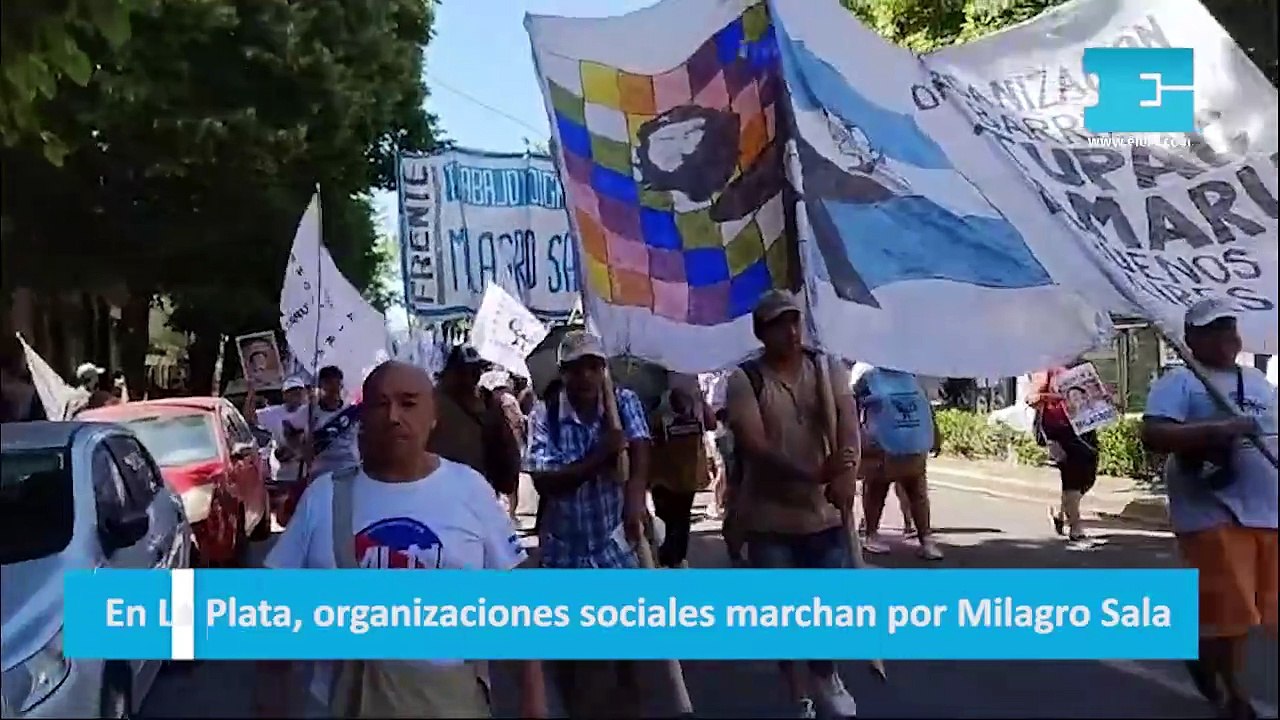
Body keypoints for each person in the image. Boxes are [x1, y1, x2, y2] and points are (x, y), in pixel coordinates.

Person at [254, 362, 546, 718]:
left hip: (449, 701)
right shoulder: (323, 497)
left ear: (433, 417)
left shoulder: (469, 489)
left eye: (408, 403)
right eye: (380, 404)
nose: (393, 416)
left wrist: (533, 701)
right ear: (363, 416)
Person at [724, 290, 860, 720]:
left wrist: (845, 474)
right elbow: (755, 446)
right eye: (779, 323)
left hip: (824, 516)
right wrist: (811, 474)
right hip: (771, 519)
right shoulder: (746, 379)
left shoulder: (827, 367)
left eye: (794, 321)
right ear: (761, 332)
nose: (791, 331)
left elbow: (849, 427)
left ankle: (826, 672)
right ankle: (799, 695)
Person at [1141, 298, 1277, 720]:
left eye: (1230, 328)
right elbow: (1154, 433)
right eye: (1215, 329)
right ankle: (1235, 695)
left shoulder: (1256, 380)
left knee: (1261, 607)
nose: (1226, 337)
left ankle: (1197, 646)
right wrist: (1219, 429)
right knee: (1233, 608)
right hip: (1212, 509)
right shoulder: (1179, 381)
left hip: (1267, 508)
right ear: (1192, 339)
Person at [524, 330, 650, 719]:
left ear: (604, 371)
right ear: (563, 374)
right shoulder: (545, 415)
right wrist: (600, 456)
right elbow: (546, 480)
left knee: (629, 652)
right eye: (577, 369)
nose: (587, 377)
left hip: (613, 544)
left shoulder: (622, 402)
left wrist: (634, 498)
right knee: (576, 660)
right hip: (566, 552)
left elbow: (641, 446)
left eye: (594, 367)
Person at [854, 365, 943, 560]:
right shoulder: (868, 379)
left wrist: (934, 434)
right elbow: (852, 406)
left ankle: (925, 539)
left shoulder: (912, 376)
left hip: (913, 445)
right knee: (876, 490)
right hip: (881, 445)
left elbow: (925, 408)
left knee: (918, 493)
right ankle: (871, 533)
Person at [427, 346, 520, 501]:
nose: (473, 376)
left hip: (479, 492)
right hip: (441, 493)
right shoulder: (432, 405)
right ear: (451, 373)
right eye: (466, 371)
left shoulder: (488, 404)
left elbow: (505, 450)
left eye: (476, 370)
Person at [1028, 360, 1099, 544]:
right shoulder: (1047, 367)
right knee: (1071, 477)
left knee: (1088, 476)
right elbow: (1032, 399)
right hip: (1059, 429)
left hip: (1084, 427)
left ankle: (1062, 512)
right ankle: (1076, 529)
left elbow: (1095, 393)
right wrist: (1055, 397)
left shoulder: (1083, 366)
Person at [648, 384, 716, 569]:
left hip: (684, 474)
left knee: (679, 519)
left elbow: (711, 424)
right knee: (669, 519)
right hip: (665, 475)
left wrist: (701, 402)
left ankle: (676, 559)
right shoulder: (657, 404)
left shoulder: (695, 404)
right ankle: (671, 559)